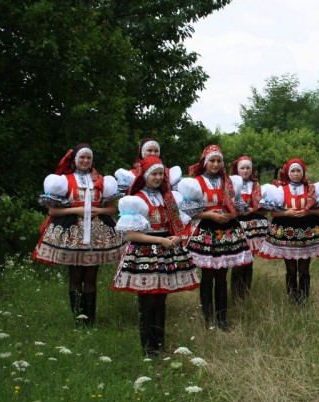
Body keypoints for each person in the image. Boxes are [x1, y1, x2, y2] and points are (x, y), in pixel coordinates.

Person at [112, 156, 199, 356]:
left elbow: (178, 224)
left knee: (161, 299)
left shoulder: (167, 197)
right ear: (144, 176)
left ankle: (160, 344)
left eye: (161, 174)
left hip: (166, 251)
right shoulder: (136, 199)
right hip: (144, 252)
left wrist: (177, 237)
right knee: (147, 301)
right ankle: (148, 347)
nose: (158, 178)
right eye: (154, 174)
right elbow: (131, 235)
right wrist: (161, 240)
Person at [33, 143, 123, 326]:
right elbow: (53, 211)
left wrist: (99, 211)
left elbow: (112, 209)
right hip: (73, 233)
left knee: (91, 278)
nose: (85, 160)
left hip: (97, 235)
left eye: (89, 157)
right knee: (75, 277)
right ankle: (78, 321)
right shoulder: (64, 181)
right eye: (82, 157)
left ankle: (90, 321)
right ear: (75, 159)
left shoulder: (100, 181)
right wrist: (77, 210)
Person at [178, 145, 253, 331]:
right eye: (212, 160)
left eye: (219, 161)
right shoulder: (196, 183)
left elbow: (241, 208)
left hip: (227, 230)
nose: (216, 164)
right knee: (207, 275)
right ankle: (208, 318)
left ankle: (222, 319)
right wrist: (210, 215)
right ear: (205, 162)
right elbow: (187, 210)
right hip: (206, 231)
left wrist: (230, 215)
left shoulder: (229, 182)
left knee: (222, 276)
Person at [258, 159, 319, 305]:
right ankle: (292, 299)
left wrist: (307, 212)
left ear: (303, 172)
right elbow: (273, 213)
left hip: (307, 229)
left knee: (304, 268)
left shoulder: (311, 189)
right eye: (293, 171)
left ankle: (304, 300)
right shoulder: (280, 190)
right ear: (288, 173)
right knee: (290, 268)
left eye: (298, 171)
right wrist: (287, 213)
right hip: (287, 230)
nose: (296, 174)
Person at [229, 156, 269, 300]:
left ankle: (245, 293)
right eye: (242, 168)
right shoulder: (230, 184)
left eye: (248, 168)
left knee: (249, 260)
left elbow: (264, 210)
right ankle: (235, 294)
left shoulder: (256, 185)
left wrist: (253, 209)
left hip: (253, 226)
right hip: (236, 224)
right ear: (237, 170)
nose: (245, 171)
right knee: (238, 260)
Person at [115, 138, 182, 193]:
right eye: (149, 150)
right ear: (142, 152)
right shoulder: (131, 175)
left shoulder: (168, 173)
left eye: (156, 151)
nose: (153, 154)